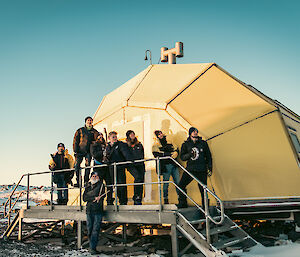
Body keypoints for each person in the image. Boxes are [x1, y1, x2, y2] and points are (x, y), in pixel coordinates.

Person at [177, 127, 213, 208]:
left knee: (203, 189)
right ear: (190, 133)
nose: (195, 133)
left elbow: (208, 156)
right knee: (181, 185)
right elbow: (182, 157)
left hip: (201, 169)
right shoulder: (186, 144)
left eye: (196, 131)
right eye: (193, 132)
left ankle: (205, 208)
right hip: (191, 169)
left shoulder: (203, 143)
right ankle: (183, 203)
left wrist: (210, 167)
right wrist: (189, 154)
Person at [152, 130, 180, 204]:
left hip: (174, 164)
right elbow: (156, 154)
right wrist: (168, 154)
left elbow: (176, 148)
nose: (160, 135)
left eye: (161, 133)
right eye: (158, 134)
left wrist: (176, 152)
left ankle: (181, 199)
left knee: (178, 182)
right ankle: (165, 199)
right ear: (156, 136)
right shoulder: (156, 144)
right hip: (166, 166)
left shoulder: (169, 140)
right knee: (166, 183)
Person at [105, 131, 131, 205]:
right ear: (109, 138)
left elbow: (125, 153)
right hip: (111, 167)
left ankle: (123, 201)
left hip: (120, 166)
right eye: (113, 137)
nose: (115, 138)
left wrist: (129, 161)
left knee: (121, 184)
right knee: (114, 184)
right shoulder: (108, 147)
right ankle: (118, 199)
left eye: (116, 136)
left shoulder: (120, 144)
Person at [83, 171, 105, 255]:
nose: (94, 177)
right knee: (89, 229)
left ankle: (92, 248)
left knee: (95, 230)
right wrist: (93, 197)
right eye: (93, 176)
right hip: (89, 210)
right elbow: (84, 198)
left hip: (98, 210)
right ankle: (91, 246)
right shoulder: (88, 186)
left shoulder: (101, 185)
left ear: (98, 177)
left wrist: (90, 196)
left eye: (96, 176)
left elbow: (101, 195)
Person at [73, 116, 99, 186]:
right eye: (88, 120)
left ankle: (86, 181)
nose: (89, 122)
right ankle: (78, 182)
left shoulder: (95, 131)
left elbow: (97, 140)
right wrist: (75, 150)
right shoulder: (80, 130)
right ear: (85, 122)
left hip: (89, 151)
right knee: (77, 166)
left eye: (91, 120)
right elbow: (76, 140)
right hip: (80, 151)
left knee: (87, 166)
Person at [90, 133, 114, 205]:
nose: (101, 137)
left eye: (101, 136)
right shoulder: (93, 145)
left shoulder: (106, 145)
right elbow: (94, 155)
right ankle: (98, 200)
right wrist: (103, 152)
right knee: (98, 185)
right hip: (98, 168)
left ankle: (110, 200)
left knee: (109, 184)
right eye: (99, 136)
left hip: (106, 167)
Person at [126, 130, 145, 205]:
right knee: (138, 177)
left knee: (141, 180)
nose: (133, 135)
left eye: (133, 134)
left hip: (140, 164)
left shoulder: (139, 144)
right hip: (132, 165)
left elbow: (142, 153)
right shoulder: (126, 145)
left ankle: (139, 197)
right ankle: (136, 196)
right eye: (131, 134)